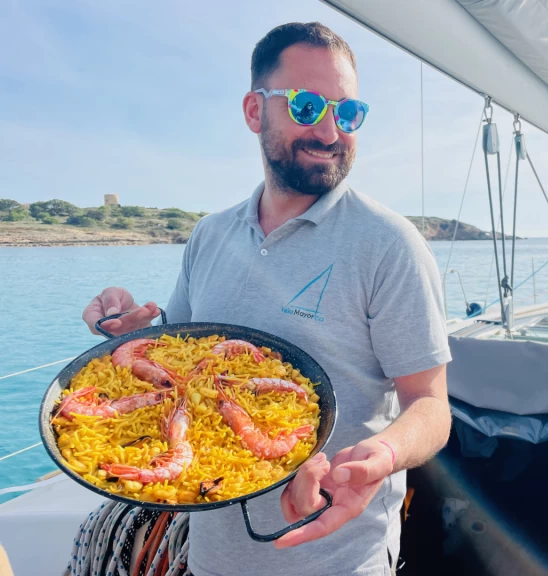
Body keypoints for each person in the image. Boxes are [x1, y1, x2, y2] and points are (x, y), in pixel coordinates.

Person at [82, 21, 452, 576]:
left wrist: (387, 454)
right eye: (306, 107)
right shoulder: (210, 234)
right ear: (255, 111)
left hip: (338, 557)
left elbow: (430, 404)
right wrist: (125, 327)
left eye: (347, 113)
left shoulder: (389, 244)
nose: (330, 132)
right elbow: (173, 356)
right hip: (212, 556)